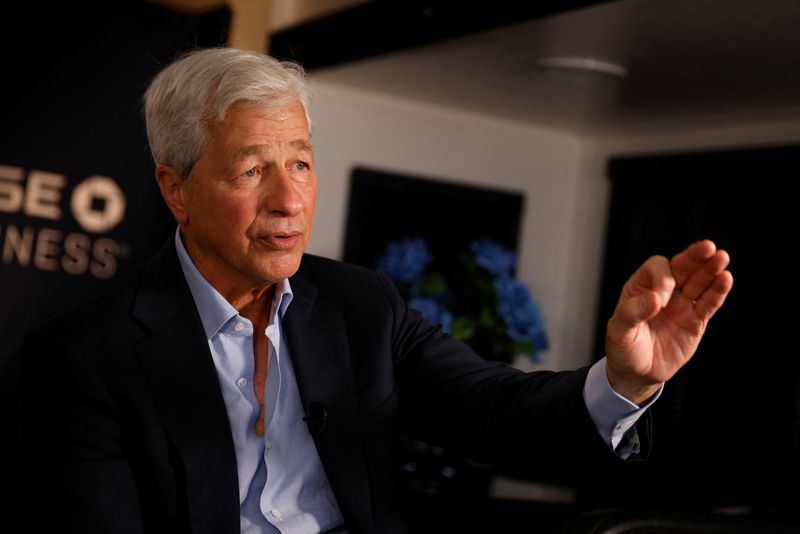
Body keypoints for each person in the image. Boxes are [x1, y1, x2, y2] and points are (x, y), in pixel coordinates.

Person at [17, 47, 733, 534]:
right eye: (252, 170)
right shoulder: (82, 358)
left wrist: (626, 378)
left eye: (300, 163)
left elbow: (496, 408)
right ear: (175, 189)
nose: (289, 200)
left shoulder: (362, 307)